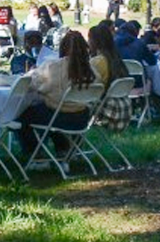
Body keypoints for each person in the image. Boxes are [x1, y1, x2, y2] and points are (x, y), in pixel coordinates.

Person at [14, 29, 99, 160]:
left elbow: (31, 84)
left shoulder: (53, 67)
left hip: (59, 118)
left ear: (62, 48)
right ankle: (63, 149)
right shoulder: (92, 70)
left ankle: (36, 155)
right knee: (51, 110)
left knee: (20, 114)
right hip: (82, 118)